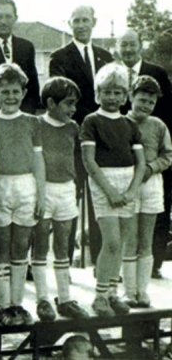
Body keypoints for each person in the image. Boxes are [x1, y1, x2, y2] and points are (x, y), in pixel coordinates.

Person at [49, 5, 114, 266]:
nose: (81, 25)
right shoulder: (59, 57)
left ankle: (101, 260)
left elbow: (111, 95)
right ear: (70, 24)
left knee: (100, 199)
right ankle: (65, 262)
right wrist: (87, 121)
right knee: (70, 199)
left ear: (94, 22)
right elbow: (63, 97)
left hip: (102, 140)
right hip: (73, 138)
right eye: (76, 21)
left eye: (85, 20)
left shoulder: (105, 56)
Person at [80, 63, 145, 317]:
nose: (113, 97)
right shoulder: (91, 121)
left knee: (124, 242)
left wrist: (131, 191)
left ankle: (113, 293)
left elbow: (140, 163)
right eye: (107, 91)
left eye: (118, 92)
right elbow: (89, 161)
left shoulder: (130, 125)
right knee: (112, 242)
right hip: (103, 183)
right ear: (98, 93)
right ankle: (100, 296)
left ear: (126, 94)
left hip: (128, 183)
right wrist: (110, 191)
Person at [0, 63, 45, 326]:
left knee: (21, 246)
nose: (10, 96)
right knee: (1, 247)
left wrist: (41, 195)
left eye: (15, 91)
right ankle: (3, 305)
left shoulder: (33, 122)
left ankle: (18, 303)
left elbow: (39, 161)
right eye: (5, 91)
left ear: (23, 92)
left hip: (26, 186)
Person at [33, 77, 89, 321]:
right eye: (68, 103)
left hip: (66, 190)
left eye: (75, 104)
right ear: (50, 103)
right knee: (41, 244)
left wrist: (75, 183)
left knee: (63, 245)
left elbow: (79, 158)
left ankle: (64, 298)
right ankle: (43, 299)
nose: (72, 109)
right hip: (42, 190)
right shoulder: (36, 125)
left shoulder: (73, 128)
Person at [117, 29, 172, 279]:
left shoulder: (157, 73)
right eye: (123, 45)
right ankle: (124, 274)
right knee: (127, 226)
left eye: (132, 44)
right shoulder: (114, 74)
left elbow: (169, 114)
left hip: (153, 170)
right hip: (125, 174)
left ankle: (152, 268)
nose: (128, 49)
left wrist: (154, 165)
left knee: (154, 220)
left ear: (140, 46)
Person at [123, 76, 172, 307]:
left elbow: (168, 155)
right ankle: (128, 292)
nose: (145, 106)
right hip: (127, 184)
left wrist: (151, 168)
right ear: (131, 96)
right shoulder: (121, 123)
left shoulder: (159, 125)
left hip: (152, 185)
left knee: (146, 240)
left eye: (150, 103)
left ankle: (142, 292)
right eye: (141, 100)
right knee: (129, 240)